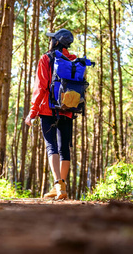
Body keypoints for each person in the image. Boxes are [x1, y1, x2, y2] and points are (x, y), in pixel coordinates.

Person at [25, 28, 76, 200]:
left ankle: (57, 185)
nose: (50, 41)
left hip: (47, 109)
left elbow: (41, 87)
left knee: (51, 146)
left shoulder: (46, 59)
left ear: (56, 41)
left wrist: (32, 113)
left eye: (52, 39)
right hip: (67, 109)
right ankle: (61, 186)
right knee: (64, 149)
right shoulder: (73, 60)